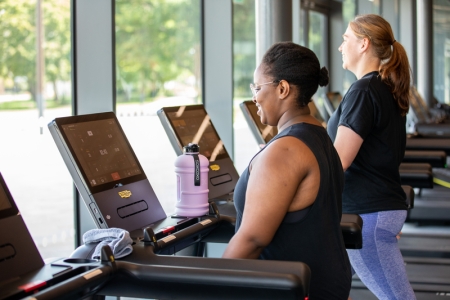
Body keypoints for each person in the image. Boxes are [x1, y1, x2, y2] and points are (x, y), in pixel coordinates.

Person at [222, 41, 352, 300]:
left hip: (293, 289)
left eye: (257, 87)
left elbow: (251, 241)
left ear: (282, 88)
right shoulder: (318, 135)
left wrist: (206, 284)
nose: (254, 97)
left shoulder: (286, 150)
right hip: (326, 281)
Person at [327, 14, 415, 299]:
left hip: (368, 216)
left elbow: (339, 160)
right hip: (375, 210)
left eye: (345, 39)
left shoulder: (363, 91)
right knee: (327, 287)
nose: (341, 47)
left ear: (363, 44)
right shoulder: (382, 87)